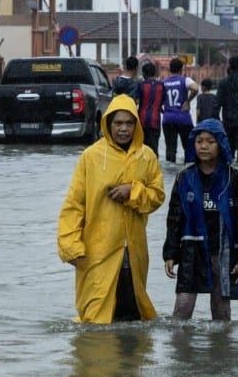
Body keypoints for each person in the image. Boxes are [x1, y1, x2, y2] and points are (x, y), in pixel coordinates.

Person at [57, 95, 165, 323]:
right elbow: (74, 205)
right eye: (118, 123)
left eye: (128, 123)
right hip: (97, 250)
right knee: (95, 316)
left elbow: (157, 196)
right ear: (107, 124)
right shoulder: (91, 157)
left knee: (133, 313)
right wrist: (70, 246)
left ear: (136, 125)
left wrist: (133, 191)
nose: (123, 129)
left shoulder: (146, 156)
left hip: (134, 250)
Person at [163, 119, 238, 321]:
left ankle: (222, 351)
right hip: (191, 251)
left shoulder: (235, 179)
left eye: (210, 141)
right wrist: (171, 253)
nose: (204, 146)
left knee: (221, 314)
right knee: (182, 309)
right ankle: (180, 352)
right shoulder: (184, 178)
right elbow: (175, 218)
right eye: (199, 141)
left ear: (221, 144)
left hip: (224, 253)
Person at [162, 58, 199, 163]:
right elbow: (196, 88)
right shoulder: (185, 80)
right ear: (181, 69)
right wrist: (188, 101)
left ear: (170, 69)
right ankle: (189, 171)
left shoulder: (163, 83)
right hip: (183, 119)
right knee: (189, 147)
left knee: (170, 149)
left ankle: (169, 176)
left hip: (168, 119)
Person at [138, 61, 166, 156]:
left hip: (142, 121)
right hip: (155, 121)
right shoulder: (161, 85)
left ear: (144, 74)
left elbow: (137, 101)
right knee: (154, 149)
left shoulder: (141, 85)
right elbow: (163, 101)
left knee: (142, 149)